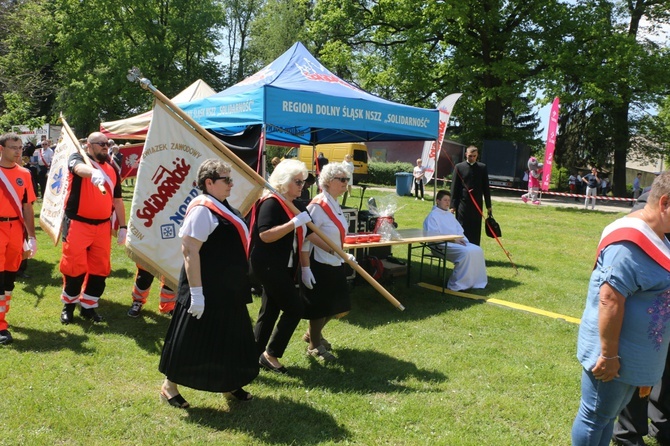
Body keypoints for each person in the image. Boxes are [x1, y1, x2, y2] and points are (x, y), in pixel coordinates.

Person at [571, 171, 670, 445]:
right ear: (664, 203)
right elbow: (609, 300)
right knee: (595, 418)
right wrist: (609, 356)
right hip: (614, 358)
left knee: (607, 416)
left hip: (629, 358)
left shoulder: (659, 234)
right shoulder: (627, 243)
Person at [159, 159, 259, 407]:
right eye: (227, 180)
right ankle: (169, 386)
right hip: (205, 288)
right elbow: (190, 251)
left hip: (228, 289)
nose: (231, 184)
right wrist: (196, 294)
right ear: (209, 182)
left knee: (232, 336)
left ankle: (230, 382)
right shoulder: (203, 209)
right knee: (191, 338)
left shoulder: (223, 205)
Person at [611, 190, 670, 446]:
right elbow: (639, 234)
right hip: (653, 302)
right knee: (641, 372)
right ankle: (628, 433)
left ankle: (663, 426)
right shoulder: (656, 191)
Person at [251, 159, 311, 374]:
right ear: (284, 181)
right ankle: (271, 354)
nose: (301, 186)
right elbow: (265, 235)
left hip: (286, 266)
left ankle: (251, 356)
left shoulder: (298, 203)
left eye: (303, 181)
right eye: (297, 181)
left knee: (270, 311)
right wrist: (292, 223)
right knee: (295, 308)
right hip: (268, 265)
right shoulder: (271, 202)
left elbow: (312, 234)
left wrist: (341, 253)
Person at [59, 132, 126, 324]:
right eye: (100, 144)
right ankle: (69, 306)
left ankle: (88, 306)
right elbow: (78, 168)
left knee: (100, 269)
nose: (105, 146)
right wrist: (93, 173)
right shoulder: (78, 157)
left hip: (102, 226)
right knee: (73, 268)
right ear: (89, 145)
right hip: (77, 223)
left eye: (107, 143)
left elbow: (118, 200)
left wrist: (123, 226)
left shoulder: (112, 167)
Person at [300, 163, 356, 362]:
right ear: (328, 181)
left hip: (335, 261)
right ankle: (314, 345)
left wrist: (342, 253)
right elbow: (305, 233)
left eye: (346, 179)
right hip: (319, 262)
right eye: (342, 179)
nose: (345, 183)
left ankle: (312, 334)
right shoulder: (318, 204)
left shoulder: (333, 201)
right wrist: (306, 267)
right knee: (321, 306)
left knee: (340, 306)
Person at [0, 133, 37, 345]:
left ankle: (2, 314)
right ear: (1, 149)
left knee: (10, 275)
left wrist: (32, 236)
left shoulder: (25, 173)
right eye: (13, 147)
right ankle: (1, 325)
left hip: (16, 228)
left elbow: (27, 207)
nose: (18, 151)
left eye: (20, 147)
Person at [423, 190, 487, 291]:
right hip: (441, 245)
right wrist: (453, 240)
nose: (448, 203)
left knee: (477, 250)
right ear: (438, 201)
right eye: (445, 200)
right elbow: (433, 236)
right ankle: (457, 283)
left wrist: (460, 239)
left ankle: (475, 281)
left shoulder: (449, 215)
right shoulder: (432, 216)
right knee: (465, 253)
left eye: (449, 200)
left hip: (456, 242)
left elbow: (459, 230)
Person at [449, 145, 492, 246]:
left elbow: (486, 188)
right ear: (466, 155)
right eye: (470, 156)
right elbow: (454, 187)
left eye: (474, 156)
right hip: (462, 203)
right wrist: (452, 206)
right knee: (462, 226)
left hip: (477, 203)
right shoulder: (459, 167)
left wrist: (488, 205)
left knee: (475, 227)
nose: (472, 158)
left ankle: (475, 248)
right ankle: (462, 247)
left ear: (477, 156)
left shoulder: (482, 167)